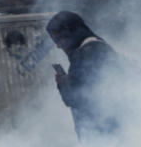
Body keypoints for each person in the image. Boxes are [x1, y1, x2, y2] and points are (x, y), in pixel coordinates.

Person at [46, 11, 124, 139]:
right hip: (115, 128)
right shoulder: (99, 45)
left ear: (69, 33)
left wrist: (62, 83)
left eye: (58, 39)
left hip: (100, 132)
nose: (58, 46)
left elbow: (73, 98)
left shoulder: (83, 54)